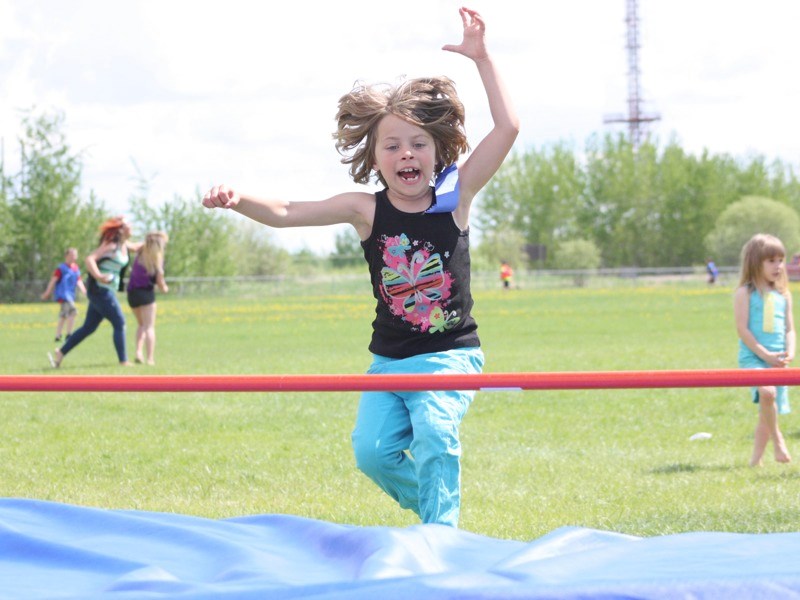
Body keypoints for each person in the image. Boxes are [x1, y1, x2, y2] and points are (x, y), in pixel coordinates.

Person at [202, 7, 518, 527]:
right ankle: (434, 507)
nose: (406, 154)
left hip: (448, 356)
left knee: (437, 435)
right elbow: (285, 214)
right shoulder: (365, 210)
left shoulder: (454, 198)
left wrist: (482, 59)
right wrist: (238, 199)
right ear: (375, 157)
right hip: (388, 361)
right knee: (371, 454)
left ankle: (443, 534)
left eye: (418, 143)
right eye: (392, 146)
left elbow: (509, 126)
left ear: (439, 151)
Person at [734, 233, 795, 467]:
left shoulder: (783, 295)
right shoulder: (745, 294)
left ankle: (754, 462)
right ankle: (779, 441)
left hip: (778, 359)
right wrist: (765, 355)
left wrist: (790, 351)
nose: (778, 266)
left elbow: (790, 329)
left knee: (765, 411)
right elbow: (743, 331)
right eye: (771, 260)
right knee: (767, 394)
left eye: (781, 260)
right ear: (755, 262)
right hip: (754, 356)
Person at [48, 217, 142, 368]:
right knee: (119, 322)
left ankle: (60, 353)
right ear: (120, 229)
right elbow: (90, 259)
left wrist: (153, 239)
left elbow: (137, 247)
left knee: (89, 327)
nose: (131, 226)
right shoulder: (111, 246)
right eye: (128, 224)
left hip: (105, 291)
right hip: (100, 290)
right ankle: (123, 360)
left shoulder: (124, 245)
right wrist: (99, 276)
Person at [127, 231, 170, 365]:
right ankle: (150, 358)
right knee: (149, 327)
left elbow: (129, 245)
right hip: (146, 294)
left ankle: (138, 352)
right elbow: (160, 283)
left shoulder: (140, 251)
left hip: (132, 293)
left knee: (141, 324)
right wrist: (165, 288)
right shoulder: (157, 259)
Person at [41, 247, 87, 342]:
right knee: (73, 311)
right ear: (66, 256)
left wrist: (84, 291)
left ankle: (58, 335)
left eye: (75, 255)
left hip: (71, 294)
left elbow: (79, 281)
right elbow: (53, 281)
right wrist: (47, 292)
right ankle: (69, 335)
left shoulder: (75, 268)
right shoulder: (61, 269)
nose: (73, 257)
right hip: (63, 295)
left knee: (64, 315)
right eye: (71, 255)